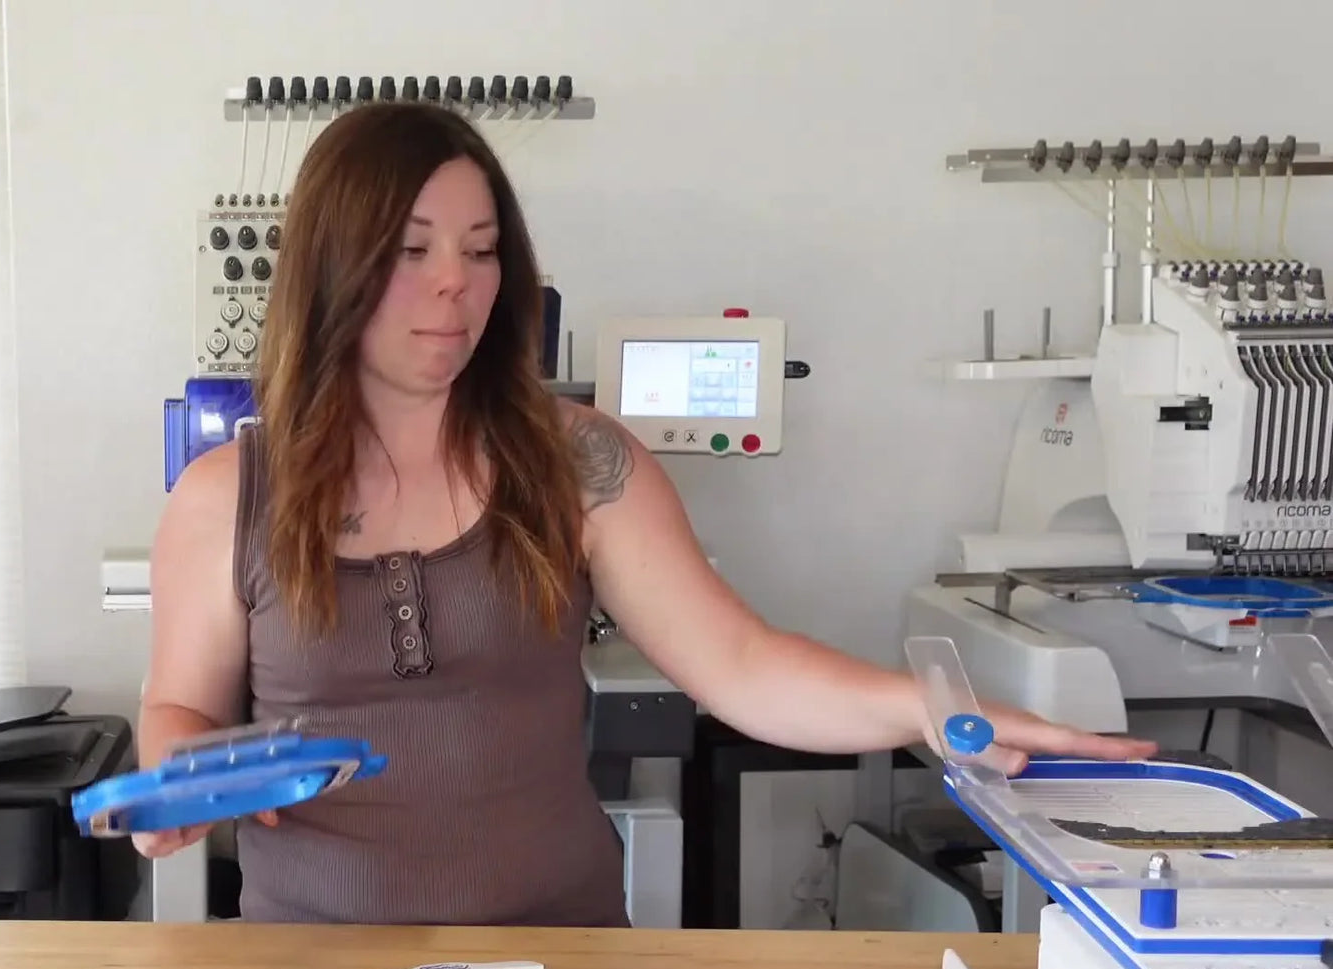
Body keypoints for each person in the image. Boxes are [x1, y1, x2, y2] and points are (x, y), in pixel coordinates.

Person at [135, 101, 1157, 927]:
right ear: (331, 266)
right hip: (310, 959)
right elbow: (177, 710)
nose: (455, 283)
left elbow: (742, 664)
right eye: (411, 250)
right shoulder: (226, 497)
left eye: (481, 251)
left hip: (562, 952)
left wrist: (930, 710)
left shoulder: (578, 461)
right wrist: (177, 772)